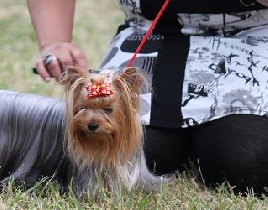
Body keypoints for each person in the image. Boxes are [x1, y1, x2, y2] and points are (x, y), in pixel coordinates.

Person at [27, 0, 268, 196]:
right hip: (149, 34)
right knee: (128, 157)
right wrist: (54, 41)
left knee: (246, 161)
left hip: (249, 36)